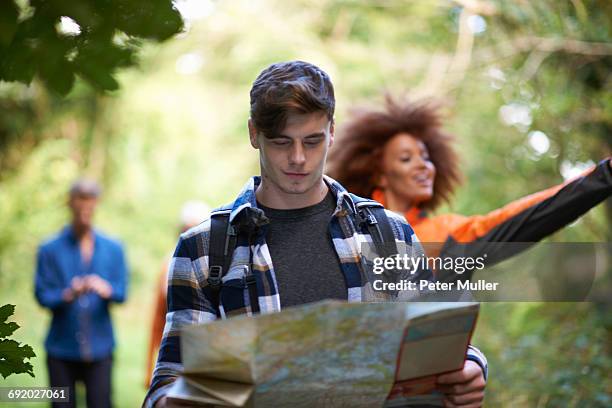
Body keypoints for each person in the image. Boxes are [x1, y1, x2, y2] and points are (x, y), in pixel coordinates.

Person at [144, 61, 488, 408]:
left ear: (332, 132)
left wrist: (472, 365)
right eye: (281, 142)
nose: (298, 159)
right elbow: (168, 380)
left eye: (312, 141)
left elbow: (434, 341)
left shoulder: (389, 232)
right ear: (254, 134)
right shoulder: (204, 248)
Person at [327, 96, 612, 261]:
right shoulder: (344, 232)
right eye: (406, 158)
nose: (423, 166)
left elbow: (522, 217)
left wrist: (604, 174)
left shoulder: (446, 233)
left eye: (426, 157)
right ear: (380, 174)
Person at [35, 179, 129, 408]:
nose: (85, 210)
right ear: (70, 204)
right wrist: (68, 293)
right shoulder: (49, 249)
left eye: (90, 203)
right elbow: (42, 295)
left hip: (100, 347)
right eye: (80, 203)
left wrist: (105, 289)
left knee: (101, 404)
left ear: (96, 204)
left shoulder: (113, 247)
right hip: (61, 349)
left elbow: (121, 292)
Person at [145, 201, 210, 388]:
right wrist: (151, 369)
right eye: (188, 229)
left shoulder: (217, 264)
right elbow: (158, 320)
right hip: (176, 356)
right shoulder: (169, 264)